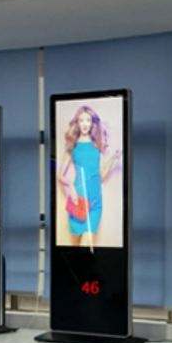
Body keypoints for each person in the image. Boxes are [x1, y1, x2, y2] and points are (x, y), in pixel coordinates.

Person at [59, 104, 121, 247]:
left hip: (95, 201)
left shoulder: (97, 145)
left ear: (93, 123)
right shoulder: (72, 146)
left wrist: (114, 158)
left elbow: (101, 176)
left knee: (87, 244)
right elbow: (60, 176)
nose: (85, 124)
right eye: (81, 120)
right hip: (78, 200)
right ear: (77, 123)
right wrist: (71, 188)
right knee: (76, 248)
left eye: (88, 120)